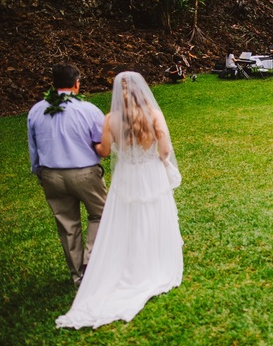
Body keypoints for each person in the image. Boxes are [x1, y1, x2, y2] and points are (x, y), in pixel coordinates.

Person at [56, 71, 183, 329]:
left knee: (128, 220)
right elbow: (165, 149)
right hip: (150, 175)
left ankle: (128, 262)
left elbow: (102, 151)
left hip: (126, 178)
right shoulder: (154, 115)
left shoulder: (110, 119)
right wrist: (157, 158)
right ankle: (154, 261)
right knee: (153, 216)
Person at [28, 63, 107, 288]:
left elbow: (33, 147)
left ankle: (77, 276)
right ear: (76, 83)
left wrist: (39, 173)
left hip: (51, 175)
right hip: (84, 174)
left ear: (53, 84)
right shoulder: (88, 110)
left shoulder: (36, 110)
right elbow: (100, 143)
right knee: (100, 214)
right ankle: (91, 265)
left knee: (67, 225)